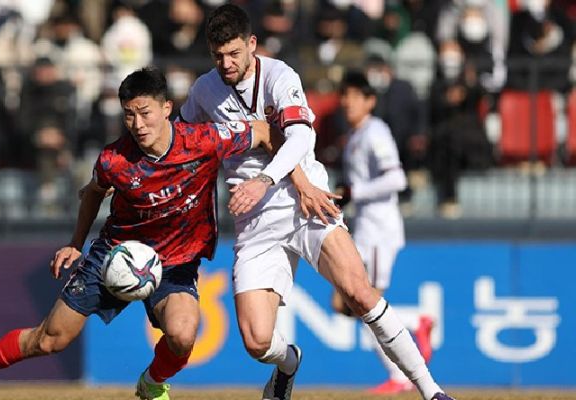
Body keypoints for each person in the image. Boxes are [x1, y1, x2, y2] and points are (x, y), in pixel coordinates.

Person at [0, 67, 289, 400]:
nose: (138, 124)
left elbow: (263, 131)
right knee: (49, 340)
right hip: (113, 255)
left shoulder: (204, 140)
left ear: (166, 108)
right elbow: (93, 192)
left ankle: (152, 383)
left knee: (183, 334)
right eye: (129, 115)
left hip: (175, 261)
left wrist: (294, 181)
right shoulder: (115, 160)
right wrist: (75, 244)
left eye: (145, 113)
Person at [179, 5, 456, 400]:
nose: (226, 63)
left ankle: (432, 391)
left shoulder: (280, 76)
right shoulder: (204, 90)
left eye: (234, 53)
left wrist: (266, 179)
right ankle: (289, 363)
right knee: (257, 341)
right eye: (218, 55)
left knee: (360, 292)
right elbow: (184, 143)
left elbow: (302, 138)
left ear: (252, 45)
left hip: (305, 205)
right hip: (255, 223)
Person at [334, 71, 435, 394]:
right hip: (364, 229)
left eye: (354, 96)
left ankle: (399, 373)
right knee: (345, 302)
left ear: (370, 101)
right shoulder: (355, 135)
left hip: (378, 230)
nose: (347, 102)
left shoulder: (376, 131)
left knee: (365, 302)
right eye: (344, 96)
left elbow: (397, 180)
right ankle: (417, 321)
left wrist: (354, 191)